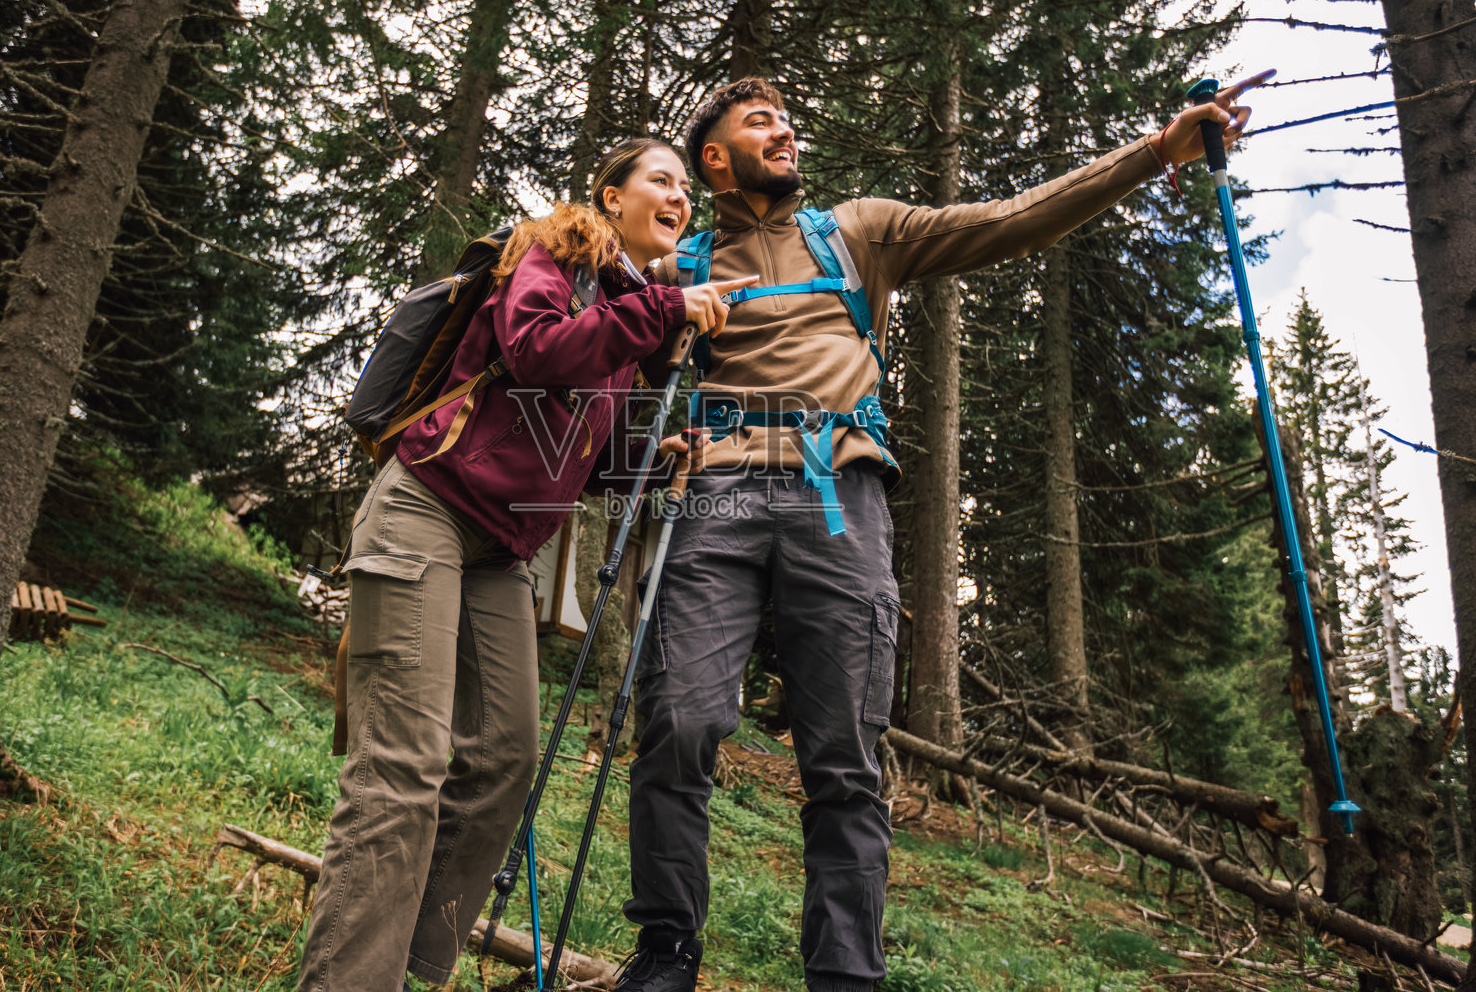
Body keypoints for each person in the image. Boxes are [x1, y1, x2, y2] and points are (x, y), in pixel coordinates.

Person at [614, 73, 1274, 992]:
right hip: (715, 498)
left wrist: (1153, 153)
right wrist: (636, 452)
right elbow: (592, 376)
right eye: (760, 122)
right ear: (714, 157)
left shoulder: (858, 231)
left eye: (789, 119)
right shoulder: (675, 270)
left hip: (838, 494)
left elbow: (1009, 219)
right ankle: (665, 952)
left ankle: (846, 974)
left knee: (843, 751)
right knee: (677, 721)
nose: (786, 131)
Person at [296, 137, 748, 992]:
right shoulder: (556, 250)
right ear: (611, 198)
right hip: (425, 507)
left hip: (499, 552)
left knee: (504, 757)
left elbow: (582, 452)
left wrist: (658, 461)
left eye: (687, 188)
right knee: (405, 765)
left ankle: (409, 969)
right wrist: (667, 313)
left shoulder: (627, 308)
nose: (681, 197)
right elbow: (538, 349)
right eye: (662, 179)